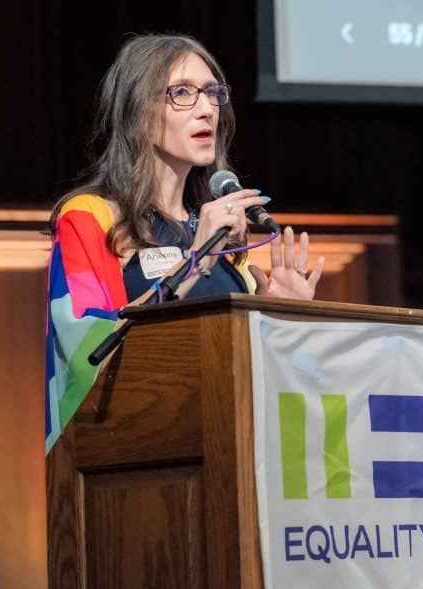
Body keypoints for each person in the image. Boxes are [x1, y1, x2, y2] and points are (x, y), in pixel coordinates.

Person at [45, 34, 324, 453]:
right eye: (183, 93)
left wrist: (282, 319)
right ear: (138, 112)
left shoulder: (220, 234)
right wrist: (195, 261)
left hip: (228, 447)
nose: (208, 107)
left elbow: (250, 373)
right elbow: (89, 352)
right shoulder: (91, 218)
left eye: (213, 93)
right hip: (129, 454)